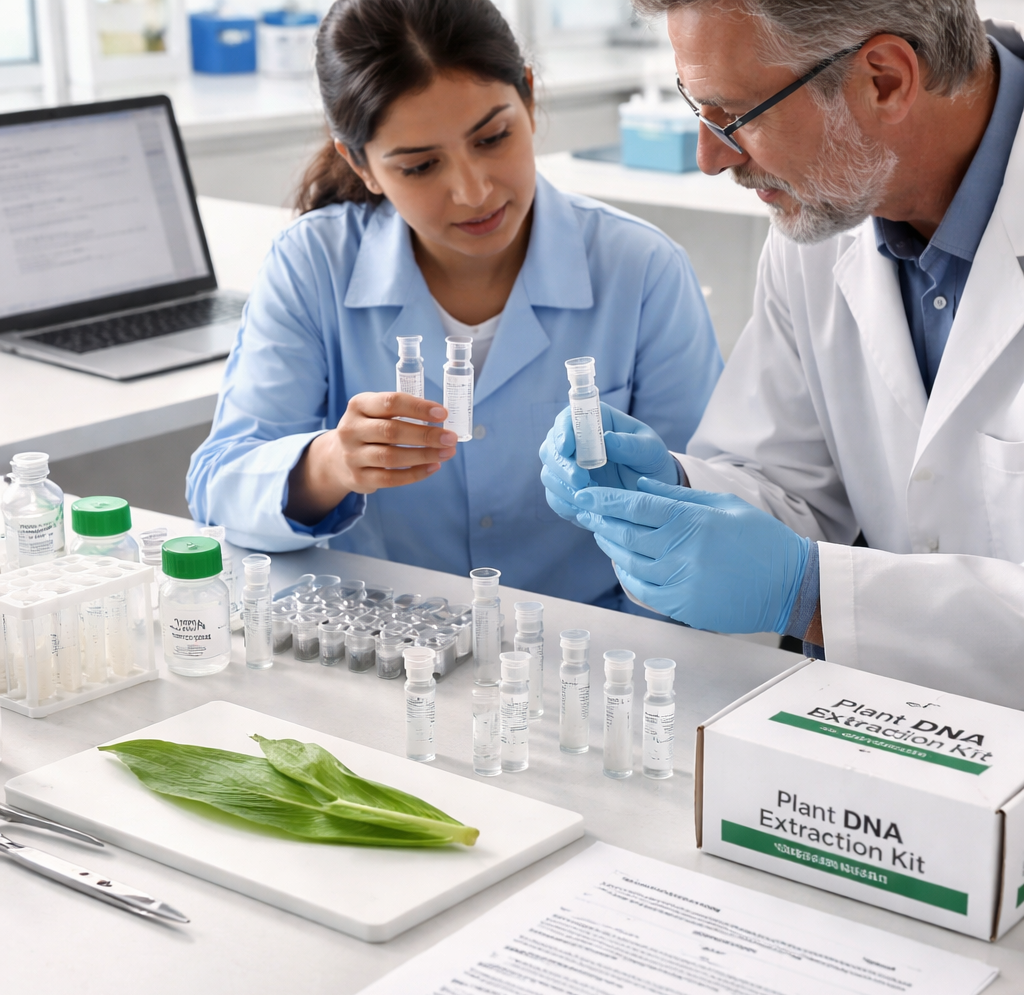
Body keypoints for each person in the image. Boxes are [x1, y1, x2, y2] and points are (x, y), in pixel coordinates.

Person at [541, 0, 1024, 705]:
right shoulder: (830, 215)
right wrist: (676, 493)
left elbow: (803, 572)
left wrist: (816, 592)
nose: (710, 156)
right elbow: (790, 485)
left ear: (884, 80)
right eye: (698, 110)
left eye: (735, 115)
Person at [186, 0, 721, 610]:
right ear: (360, 164)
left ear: (529, 97)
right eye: (419, 166)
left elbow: (700, 511)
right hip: (386, 648)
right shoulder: (314, 264)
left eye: (493, 137)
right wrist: (332, 463)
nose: (473, 191)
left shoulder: (642, 269)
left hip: (590, 654)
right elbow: (218, 491)